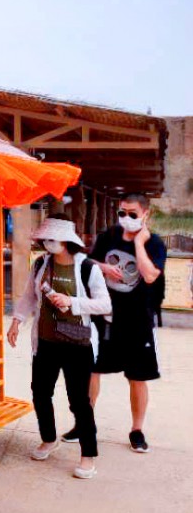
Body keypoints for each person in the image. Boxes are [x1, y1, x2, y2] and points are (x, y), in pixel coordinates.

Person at [7, 214, 111, 479]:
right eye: (44, 240)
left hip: (78, 343)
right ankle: (48, 437)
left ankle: (88, 455)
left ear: (65, 241)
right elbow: (29, 296)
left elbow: (105, 304)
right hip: (45, 342)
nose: (46, 244)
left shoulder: (88, 268)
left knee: (79, 401)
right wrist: (17, 321)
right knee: (40, 393)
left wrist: (72, 302)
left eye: (50, 239)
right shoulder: (41, 264)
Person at [79, 193, 168, 453]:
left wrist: (139, 243)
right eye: (122, 213)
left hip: (138, 321)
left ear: (145, 214)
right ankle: (85, 422)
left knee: (138, 378)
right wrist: (104, 268)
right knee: (92, 370)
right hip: (104, 318)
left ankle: (137, 430)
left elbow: (150, 275)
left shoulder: (155, 243)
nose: (126, 219)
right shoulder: (109, 236)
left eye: (132, 214)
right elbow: (89, 261)